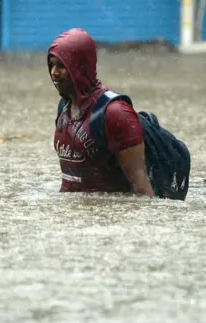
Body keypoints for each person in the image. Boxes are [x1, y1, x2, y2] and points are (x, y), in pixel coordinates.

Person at [48, 28, 156, 197]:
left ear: (79, 67)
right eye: (51, 65)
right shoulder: (64, 107)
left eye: (61, 66)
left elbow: (142, 190)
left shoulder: (116, 114)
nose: (53, 72)